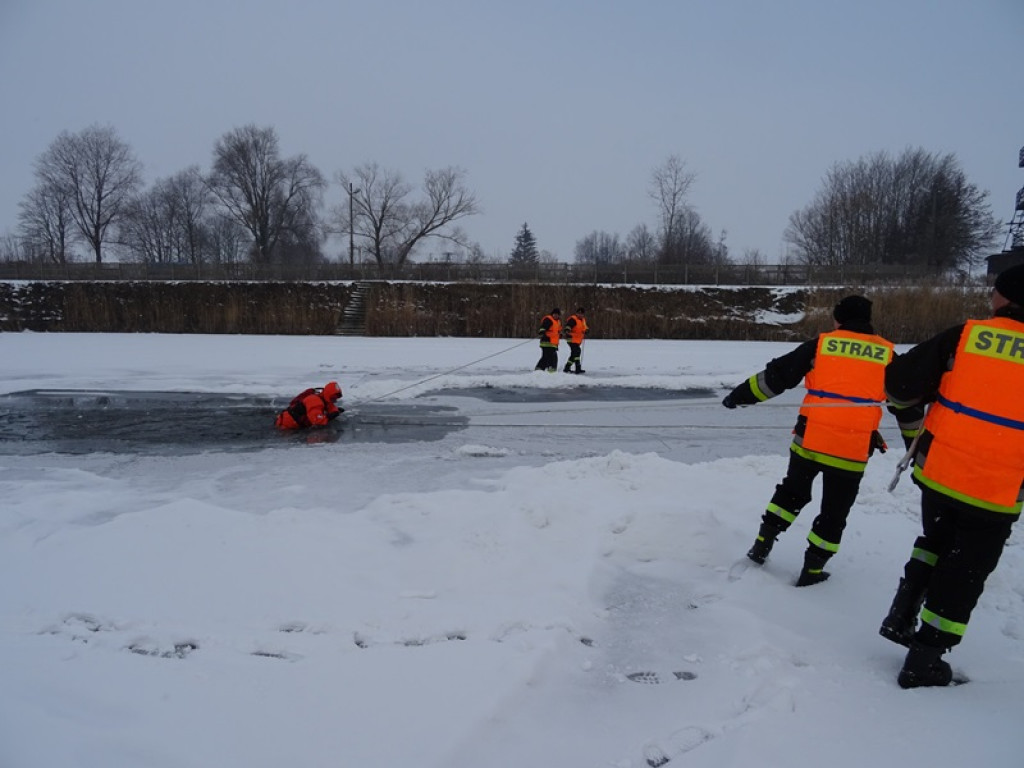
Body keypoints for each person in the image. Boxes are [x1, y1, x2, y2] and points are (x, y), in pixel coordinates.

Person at [878, 263, 1024, 688]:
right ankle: (925, 658)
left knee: (935, 544)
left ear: (1001, 298)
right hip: (996, 489)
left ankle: (901, 614)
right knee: (966, 569)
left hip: (941, 473)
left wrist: (919, 407)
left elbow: (901, 384)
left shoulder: (966, 336)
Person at [722, 296, 921, 586]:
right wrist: (915, 446)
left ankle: (761, 547)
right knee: (834, 512)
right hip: (851, 450)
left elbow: (778, 377)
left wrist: (739, 397)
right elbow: (907, 405)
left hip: (810, 442)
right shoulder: (887, 355)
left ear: (838, 319)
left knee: (790, 494)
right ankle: (812, 571)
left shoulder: (823, 344)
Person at [274, 381, 344, 429]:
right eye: (333, 398)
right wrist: (329, 417)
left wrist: (336, 411)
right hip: (286, 426)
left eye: (335, 398)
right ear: (328, 395)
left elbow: (330, 406)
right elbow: (316, 421)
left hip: (293, 423)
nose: (334, 400)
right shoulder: (315, 401)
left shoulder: (323, 397)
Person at [562, 307, 589, 374]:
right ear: (576, 313)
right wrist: (567, 330)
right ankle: (576, 368)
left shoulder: (583, 320)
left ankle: (567, 368)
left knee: (575, 353)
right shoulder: (573, 319)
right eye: (578, 313)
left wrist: (587, 330)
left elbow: (585, 327)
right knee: (576, 352)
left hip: (577, 340)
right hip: (571, 339)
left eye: (581, 313)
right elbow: (568, 326)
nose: (580, 315)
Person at [535, 308, 562, 372]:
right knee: (552, 357)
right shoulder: (549, 319)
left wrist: (560, 335)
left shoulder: (558, 322)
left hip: (553, 343)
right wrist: (542, 332)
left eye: (557, 314)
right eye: (555, 314)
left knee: (546, 357)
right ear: (552, 314)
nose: (556, 315)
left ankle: (539, 369)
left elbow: (557, 331)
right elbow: (543, 327)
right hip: (546, 342)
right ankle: (551, 369)